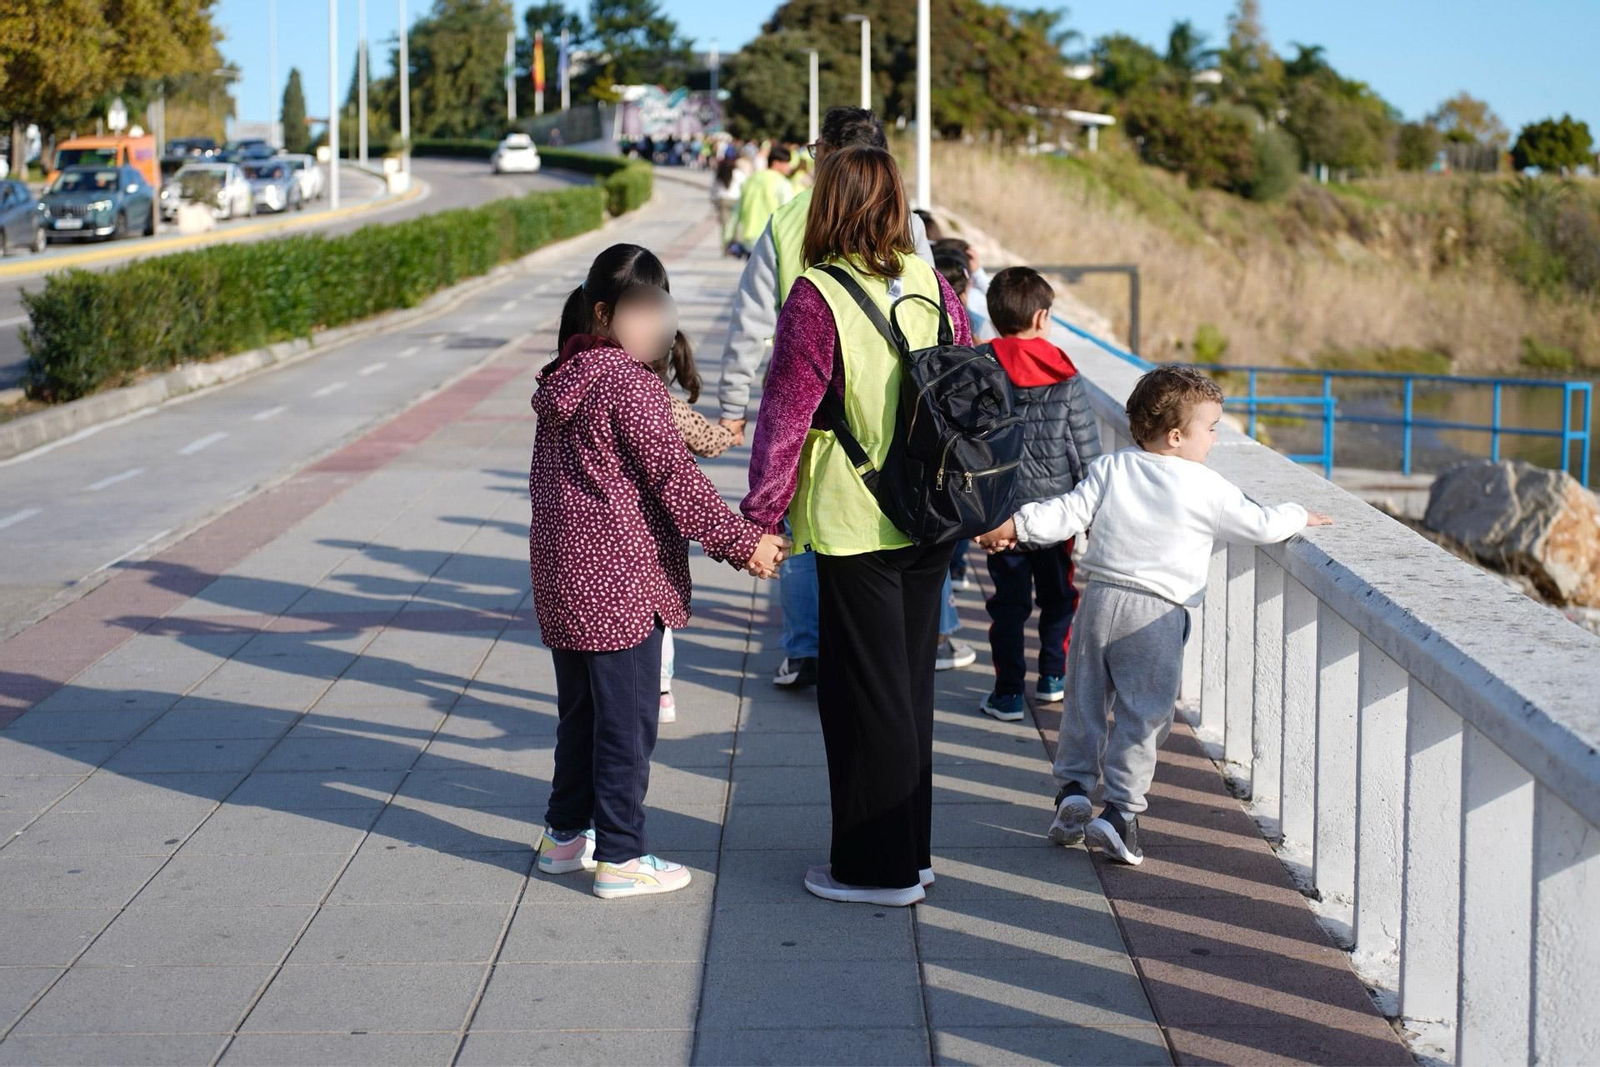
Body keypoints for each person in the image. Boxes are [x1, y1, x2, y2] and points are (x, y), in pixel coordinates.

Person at [977, 365, 1333, 865]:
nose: (1214, 438)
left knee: (1084, 700)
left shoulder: (1112, 467)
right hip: (1158, 614)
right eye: (1210, 428)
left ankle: (1074, 789)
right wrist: (1300, 513)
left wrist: (1014, 524)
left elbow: (1065, 512)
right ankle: (1120, 812)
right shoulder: (1207, 486)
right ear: (1176, 436)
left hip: (1101, 599)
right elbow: (1261, 524)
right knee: (1143, 715)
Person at [743, 145, 974, 907]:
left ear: (827, 204)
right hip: (932, 513)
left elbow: (784, 417)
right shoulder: (928, 277)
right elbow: (966, 379)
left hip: (857, 517)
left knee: (868, 696)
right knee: (907, 689)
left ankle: (877, 871)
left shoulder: (817, 295)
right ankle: (913, 851)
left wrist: (760, 518)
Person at [529, 243, 786, 899]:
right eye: (640, 312)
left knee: (582, 717)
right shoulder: (630, 386)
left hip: (564, 583)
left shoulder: (566, 378)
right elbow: (678, 482)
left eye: (659, 310)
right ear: (603, 311)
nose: (655, 327)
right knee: (627, 721)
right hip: (619, 586)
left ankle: (565, 838)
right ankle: (619, 856)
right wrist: (742, 541)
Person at [717, 107, 935, 690]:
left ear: (824, 157)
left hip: (819, 424)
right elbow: (938, 331)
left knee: (805, 533)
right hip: (898, 423)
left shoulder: (789, 221)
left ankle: (805, 648)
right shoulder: (908, 228)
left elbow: (751, 321)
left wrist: (734, 404)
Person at [973, 267, 1102, 723]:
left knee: (1008, 604)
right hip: (1055, 514)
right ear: (1043, 317)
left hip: (999, 513)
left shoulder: (979, 367)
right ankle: (1052, 676)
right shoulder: (1064, 374)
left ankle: (1007, 692)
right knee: (1059, 596)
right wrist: (1092, 516)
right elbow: (1085, 450)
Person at [653, 329, 739, 724]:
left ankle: (656, 690)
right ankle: (663, 690)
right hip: (656, 538)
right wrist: (730, 433)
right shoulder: (664, 403)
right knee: (658, 622)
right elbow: (705, 440)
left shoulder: (634, 397)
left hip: (624, 541)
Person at [729, 146, 795, 257]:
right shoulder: (782, 183)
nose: (789, 167)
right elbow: (787, 213)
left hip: (748, 236)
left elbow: (737, 210)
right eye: (787, 163)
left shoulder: (751, 179)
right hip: (770, 238)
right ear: (776, 163)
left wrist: (729, 237)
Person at [711, 158, 745, 252]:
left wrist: (713, 201)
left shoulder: (719, 173)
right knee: (736, 223)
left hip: (723, 200)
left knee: (724, 225)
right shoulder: (738, 173)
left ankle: (725, 246)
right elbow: (745, 185)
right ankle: (735, 244)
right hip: (736, 200)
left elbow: (713, 188)